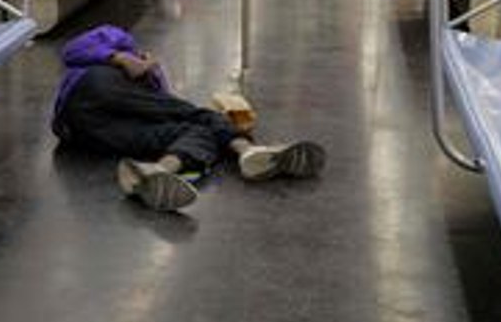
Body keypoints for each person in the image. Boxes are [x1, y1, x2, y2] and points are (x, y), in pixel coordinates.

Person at [53, 25, 325, 211]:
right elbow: (71, 50)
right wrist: (121, 57)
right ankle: (248, 149)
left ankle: (157, 172)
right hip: (91, 88)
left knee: (198, 132)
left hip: (83, 133)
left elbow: (166, 111)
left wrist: (150, 75)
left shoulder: (157, 85)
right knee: (198, 115)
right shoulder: (119, 40)